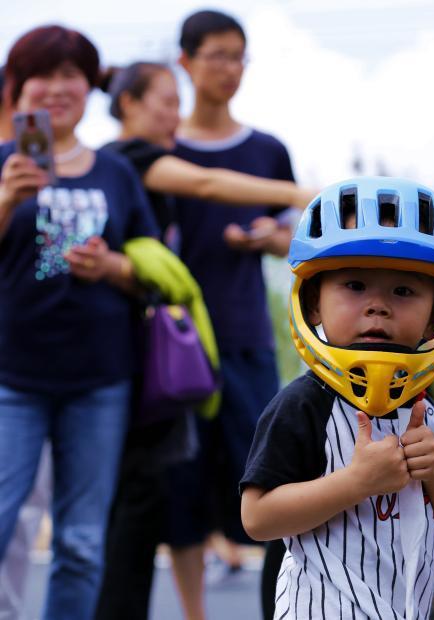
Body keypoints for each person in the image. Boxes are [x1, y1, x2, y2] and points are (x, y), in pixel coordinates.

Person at [92, 60, 317, 620]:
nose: (176, 113)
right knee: (154, 503)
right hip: (151, 356)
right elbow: (207, 183)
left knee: (167, 498)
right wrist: (305, 191)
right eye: (166, 101)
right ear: (129, 105)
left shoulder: (138, 161)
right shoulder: (127, 157)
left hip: (182, 351)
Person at [240, 177, 434, 619]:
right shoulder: (304, 405)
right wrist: (356, 483)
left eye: (403, 291)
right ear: (314, 303)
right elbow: (257, 518)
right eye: (354, 285)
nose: (377, 306)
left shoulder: (424, 412)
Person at [0, 25, 158, 620]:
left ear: (89, 87)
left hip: (99, 379)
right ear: (19, 89)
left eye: (71, 75)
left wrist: (111, 266)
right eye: (43, 75)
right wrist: (6, 200)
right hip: (10, 376)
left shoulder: (116, 173)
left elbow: (151, 268)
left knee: (82, 542)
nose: (57, 88)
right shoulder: (3, 164)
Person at [162, 11, 299, 620]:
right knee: (183, 486)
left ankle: (287, 605)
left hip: (246, 336)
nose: (229, 68)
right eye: (216, 55)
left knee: (270, 473)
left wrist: (271, 237)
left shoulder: (267, 149)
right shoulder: (162, 150)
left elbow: (296, 237)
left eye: (238, 56)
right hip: (176, 345)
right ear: (185, 61)